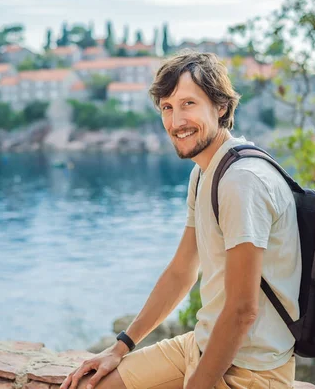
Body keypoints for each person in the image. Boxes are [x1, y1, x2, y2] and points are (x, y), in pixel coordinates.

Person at [61, 50, 302, 389]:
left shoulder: (242, 181)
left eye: (188, 104)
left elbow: (242, 310)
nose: (176, 123)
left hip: (251, 369)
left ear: (220, 106)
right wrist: (119, 347)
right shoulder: (206, 172)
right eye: (167, 107)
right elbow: (181, 271)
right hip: (199, 344)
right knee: (91, 385)